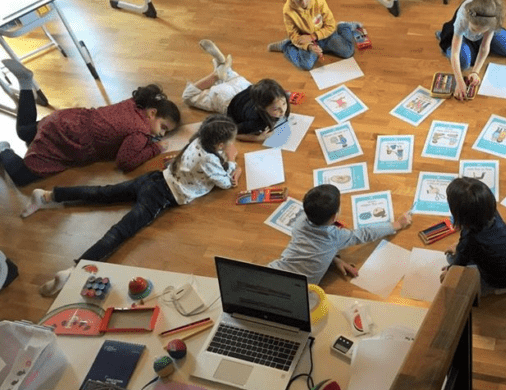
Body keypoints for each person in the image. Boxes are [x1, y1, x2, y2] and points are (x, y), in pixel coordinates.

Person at [22, 115, 241, 297]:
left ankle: (48, 196)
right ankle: (74, 270)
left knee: (103, 192)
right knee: (120, 232)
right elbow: (225, 183)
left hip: (153, 178)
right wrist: (233, 163)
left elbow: (210, 160)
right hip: (161, 196)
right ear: (220, 145)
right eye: (229, 143)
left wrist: (224, 153)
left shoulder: (198, 140)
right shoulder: (211, 160)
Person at [0, 59, 180, 187]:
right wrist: (155, 149)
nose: (162, 134)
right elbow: (125, 163)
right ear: (152, 113)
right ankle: (3, 149)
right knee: (22, 177)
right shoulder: (140, 133)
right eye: (163, 127)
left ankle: (25, 83)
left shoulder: (135, 103)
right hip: (70, 139)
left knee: (26, 131)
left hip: (66, 120)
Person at [267, 184, 412, 285]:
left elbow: (311, 248)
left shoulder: (300, 222)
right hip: (297, 291)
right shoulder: (335, 237)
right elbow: (365, 234)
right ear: (334, 217)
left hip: (272, 272)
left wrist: (334, 259)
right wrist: (397, 224)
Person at [182, 40, 289, 142]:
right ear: (262, 107)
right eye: (276, 109)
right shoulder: (258, 123)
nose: (283, 111)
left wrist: (279, 106)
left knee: (226, 76)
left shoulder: (275, 97)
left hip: (242, 85)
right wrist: (258, 138)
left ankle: (222, 65)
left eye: (284, 103)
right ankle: (215, 75)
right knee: (188, 96)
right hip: (226, 98)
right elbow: (234, 132)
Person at [440, 177, 506, 296]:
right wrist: (459, 246)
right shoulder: (493, 214)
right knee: (491, 254)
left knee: (451, 260)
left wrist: (448, 273)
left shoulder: (469, 240)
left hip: (501, 280)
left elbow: (457, 265)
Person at [266, 0, 362, 71]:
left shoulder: (319, 1)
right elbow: (294, 35)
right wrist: (309, 47)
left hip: (325, 35)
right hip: (306, 41)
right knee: (306, 64)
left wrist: (313, 36)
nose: (304, 2)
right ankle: (286, 45)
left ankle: (344, 26)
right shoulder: (287, 10)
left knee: (348, 52)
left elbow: (330, 26)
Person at [436, 0, 506, 101]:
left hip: (481, 34)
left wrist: (475, 71)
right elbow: (455, 53)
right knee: (464, 63)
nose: (478, 33)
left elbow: (485, 47)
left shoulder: (492, 19)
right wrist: (459, 82)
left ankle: (473, 46)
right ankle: (444, 37)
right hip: (463, 36)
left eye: (482, 31)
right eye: (475, 29)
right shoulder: (463, 17)